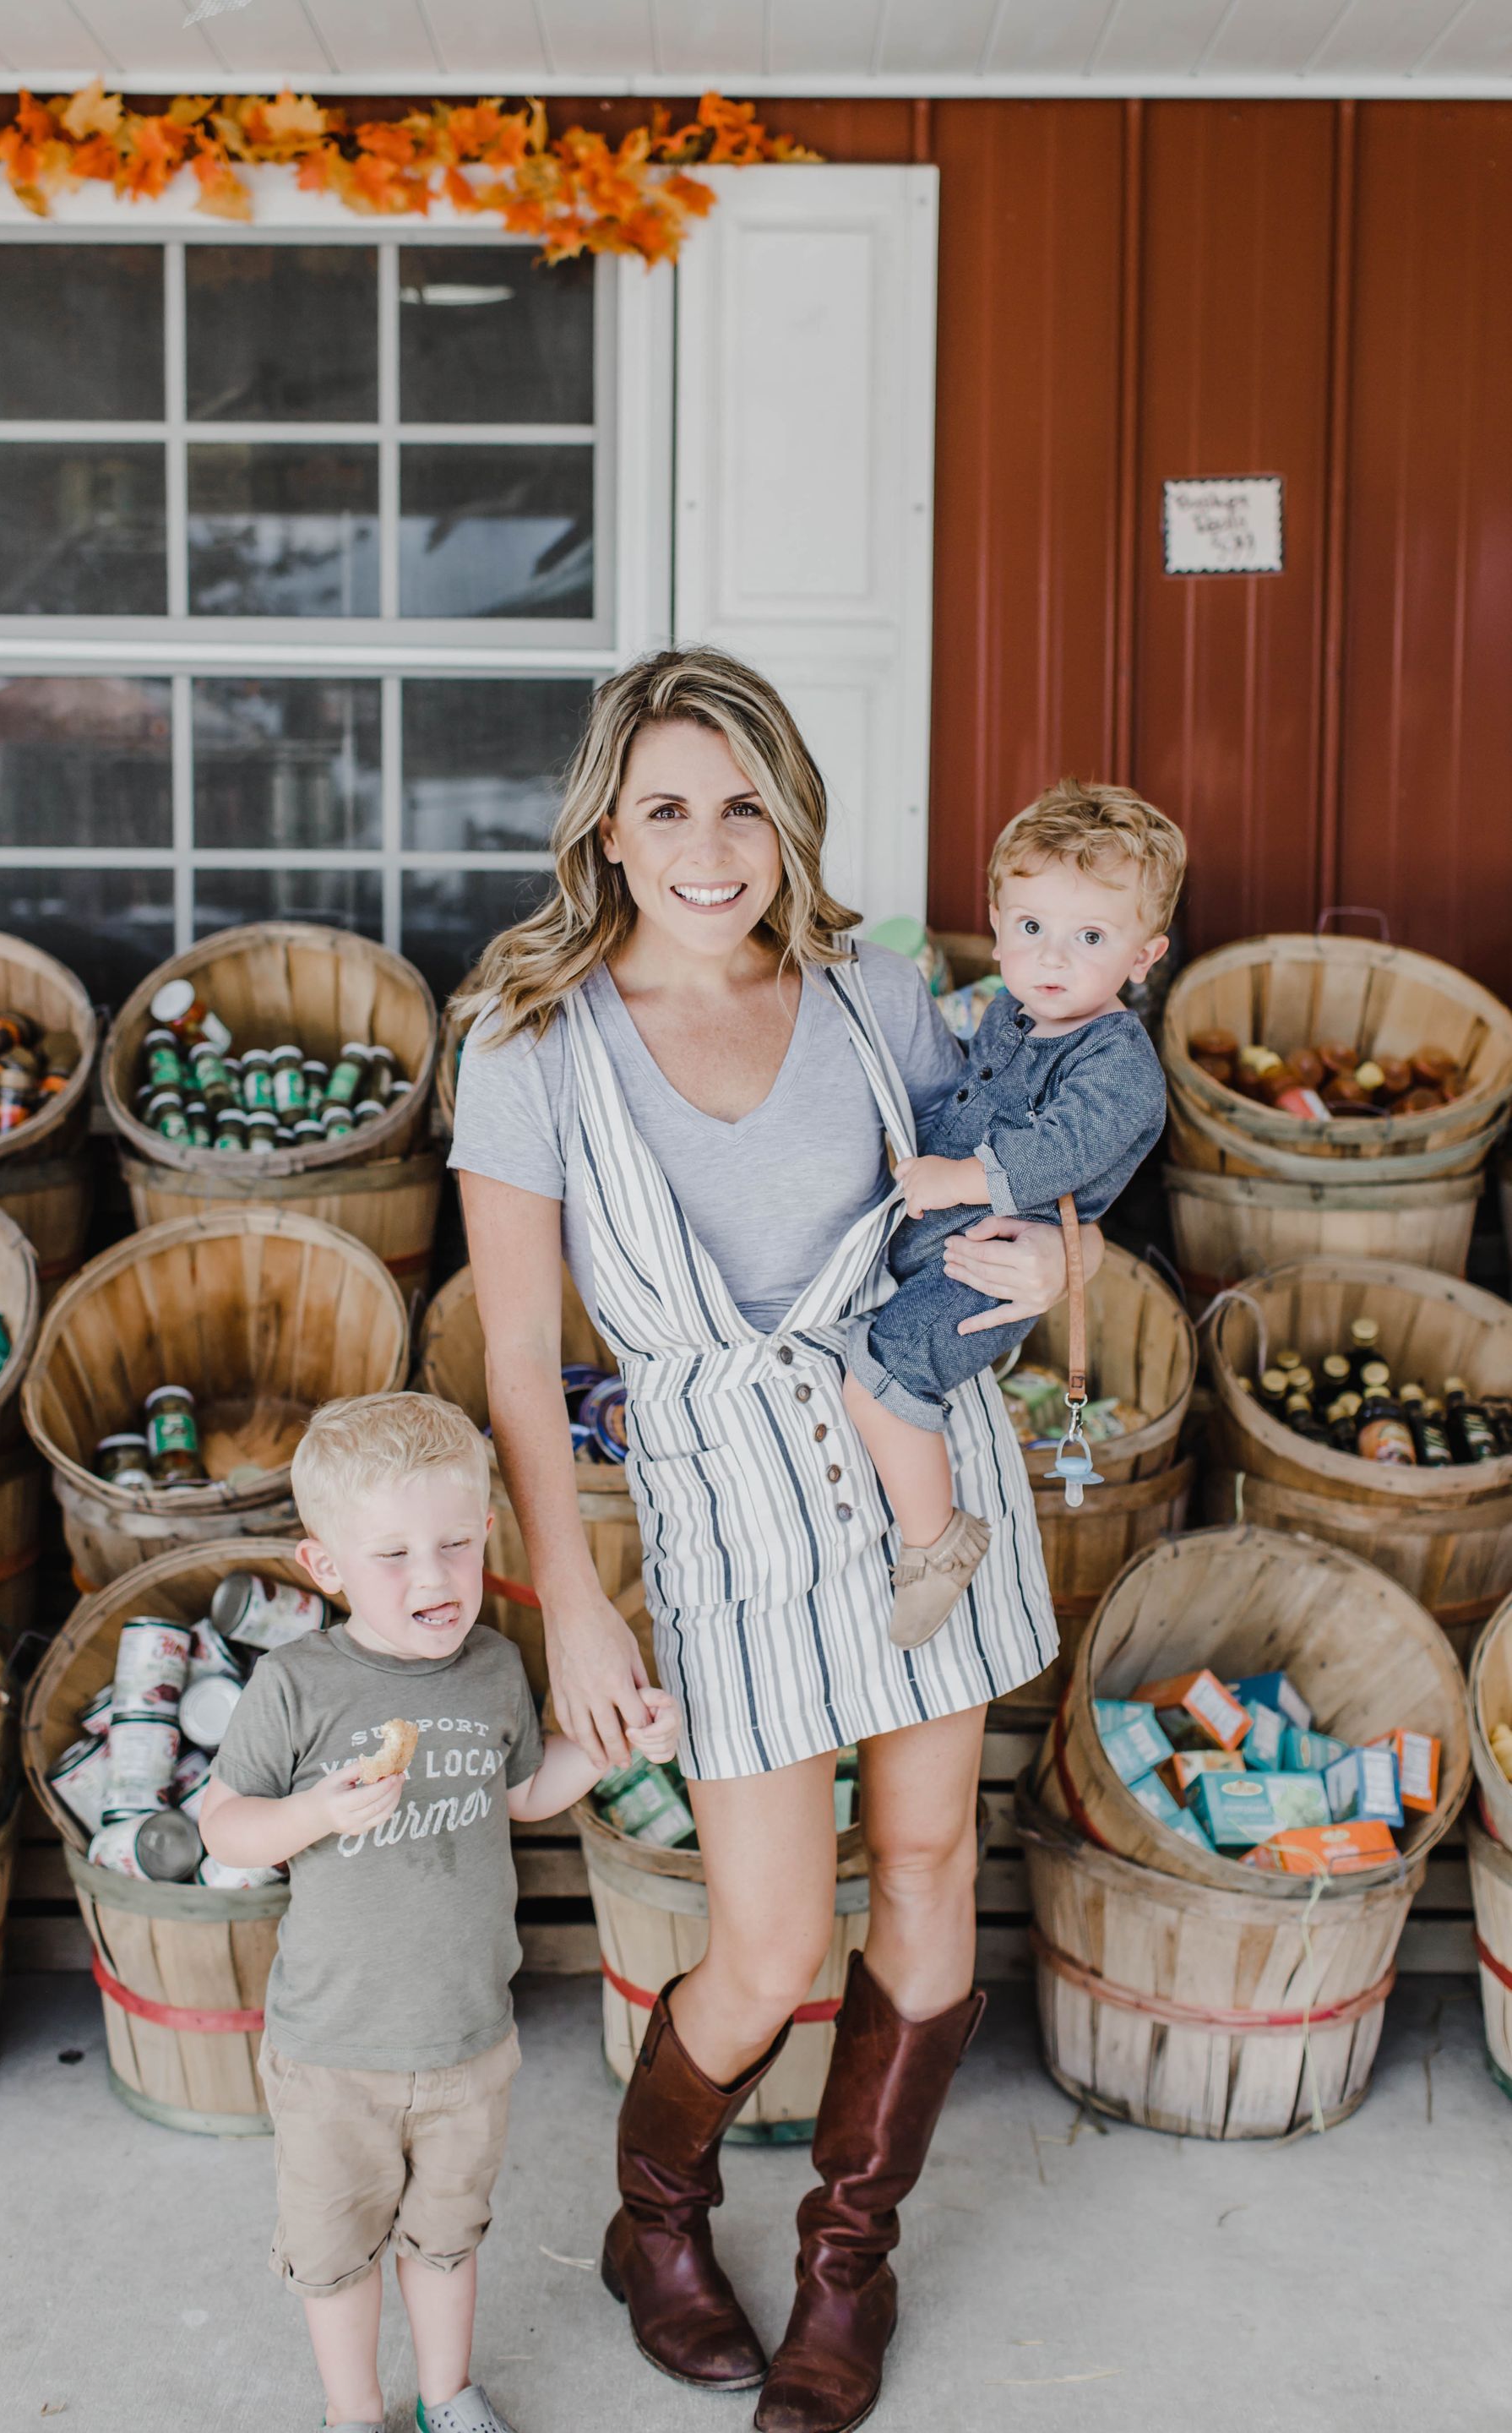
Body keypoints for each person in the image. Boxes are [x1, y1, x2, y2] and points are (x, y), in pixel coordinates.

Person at [449, 645, 1103, 2433]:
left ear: (788, 812)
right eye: (666, 804)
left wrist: (1071, 1265)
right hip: (726, 1517)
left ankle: (846, 2263)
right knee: (760, 1938)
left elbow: (1030, 1207)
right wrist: (574, 1606)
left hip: (920, 1494)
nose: (710, 842)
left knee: (920, 1871)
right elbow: (519, 1352)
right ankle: (653, 2225)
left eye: (742, 800)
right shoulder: (528, 1036)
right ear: (607, 825)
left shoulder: (881, 1001)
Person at [199, 1391, 680, 2433]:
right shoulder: (298, 1683)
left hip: (469, 2038)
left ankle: (447, 2395)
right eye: (393, 1555)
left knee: (450, 2234)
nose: (433, 1577)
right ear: (323, 1567)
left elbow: (524, 1793)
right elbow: (223, 1828)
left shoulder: (494, 1668)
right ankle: (352, 2411)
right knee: (335, 2253)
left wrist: (610, 1744)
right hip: (334, 2050)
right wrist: (314, 1812)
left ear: (486, 1536)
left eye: (456, 1544)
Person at [841, 781, 1182, 1648]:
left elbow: (1062, 1149)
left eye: (1091, 937)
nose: (1052, 959)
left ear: (1144, 956)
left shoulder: (1117, 1062)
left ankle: (936, 1542)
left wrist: (955, 1179)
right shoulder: (1013, 1013)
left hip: (987, 1261)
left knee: (884, 1373)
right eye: (1031, 929)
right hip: (941, 1239)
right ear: (995, 923)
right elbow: (966, 1094)